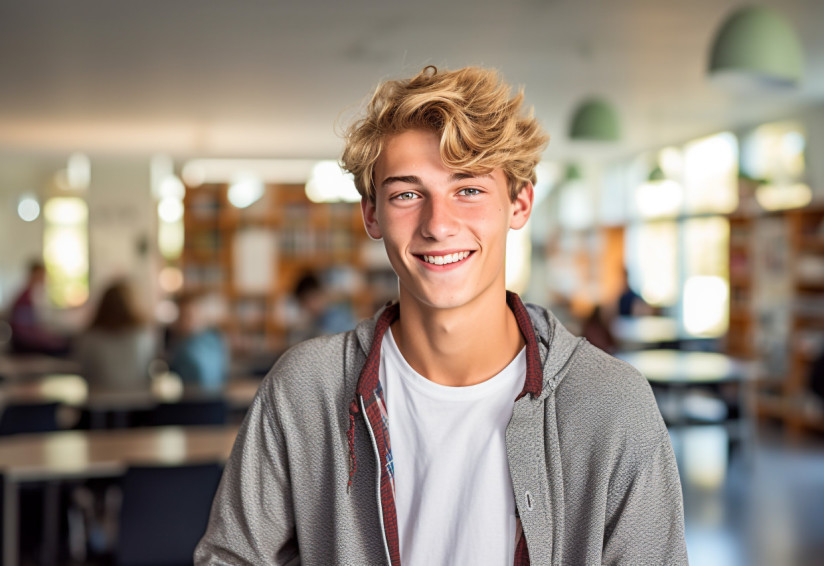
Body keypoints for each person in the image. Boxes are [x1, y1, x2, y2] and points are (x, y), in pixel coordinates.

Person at [196, 66, 688, 565]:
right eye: (407, 194)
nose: (438, 224)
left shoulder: (612, 406)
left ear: (519, 204)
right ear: (371, 214)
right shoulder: (305, 391)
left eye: (468, 189)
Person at [74, 279, 155, 393]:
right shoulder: (143, 336)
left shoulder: (90, 337)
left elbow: (82, 368)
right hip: (139, 402)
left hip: (97, 403)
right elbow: (150, 369)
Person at [169, 291, 229, 392]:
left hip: (192, 403)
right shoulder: (216, 340)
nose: (181, 321)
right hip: (219, 403)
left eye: (186, 316)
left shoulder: (184, 348)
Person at [8, 260, 69, 355]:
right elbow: (24, 332)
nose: (44, 279)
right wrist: (45, 339)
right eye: (41, 275)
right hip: (23, 344)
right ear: (34, 274)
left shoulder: (32, 296)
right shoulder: (24, 299)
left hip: (27, 340)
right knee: (63, 348)